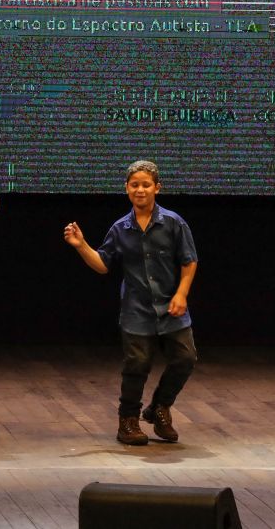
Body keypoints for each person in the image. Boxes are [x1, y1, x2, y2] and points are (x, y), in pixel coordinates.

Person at [63, 160, 198, 445]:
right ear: (126, 189)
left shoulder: (173, 222)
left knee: (185, 358)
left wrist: (181, 294)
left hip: (171, 306)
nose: (140, 190)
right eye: (134, 185)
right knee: (137, 364)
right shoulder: (120, 228)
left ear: (157, 188)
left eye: (146, 185)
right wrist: (81, 246)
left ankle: (160, 407)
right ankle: (128, 420)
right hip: (137, 309)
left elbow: (189, 261)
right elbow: (102, 264)